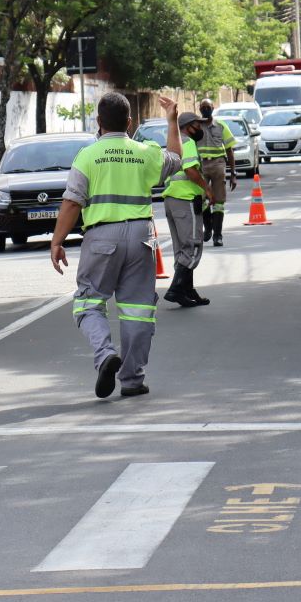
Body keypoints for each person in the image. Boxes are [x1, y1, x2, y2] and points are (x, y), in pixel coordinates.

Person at [51, 93, 183, 399]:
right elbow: (176, 159)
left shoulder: (88, 155)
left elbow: (72, 202)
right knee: (137, 311)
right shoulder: (145, 152)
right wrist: (172, 121)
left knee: (88, 304)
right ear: (129, 122)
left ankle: (105, 355)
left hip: (101, 238)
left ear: (98, 122)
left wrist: (57, 241)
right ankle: (133, 380)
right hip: (141, 238)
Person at [162, 112, 215, 308]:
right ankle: (175, 289)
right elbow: (191, 170)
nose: (199, 128)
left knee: (181, 249)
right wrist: (207, 189)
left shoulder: (173, 143)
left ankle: (187, 290)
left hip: (171, 200)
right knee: (192, 246)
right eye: (196, 125)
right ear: (187, 127)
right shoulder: (188, 143)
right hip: (185, 199)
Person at [195, 99, 237, 246]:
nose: (205, 109)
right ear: (199, 109)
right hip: (201, 166)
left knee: (218, 202)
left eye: (208, 107)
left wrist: (233, 174)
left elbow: (230, 150)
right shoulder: (196, 127)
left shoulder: (221, 126)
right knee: (202, 200)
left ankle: (217, 236)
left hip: (218, 164)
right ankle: (208, 228)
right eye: (203, 107)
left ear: (213, 108)